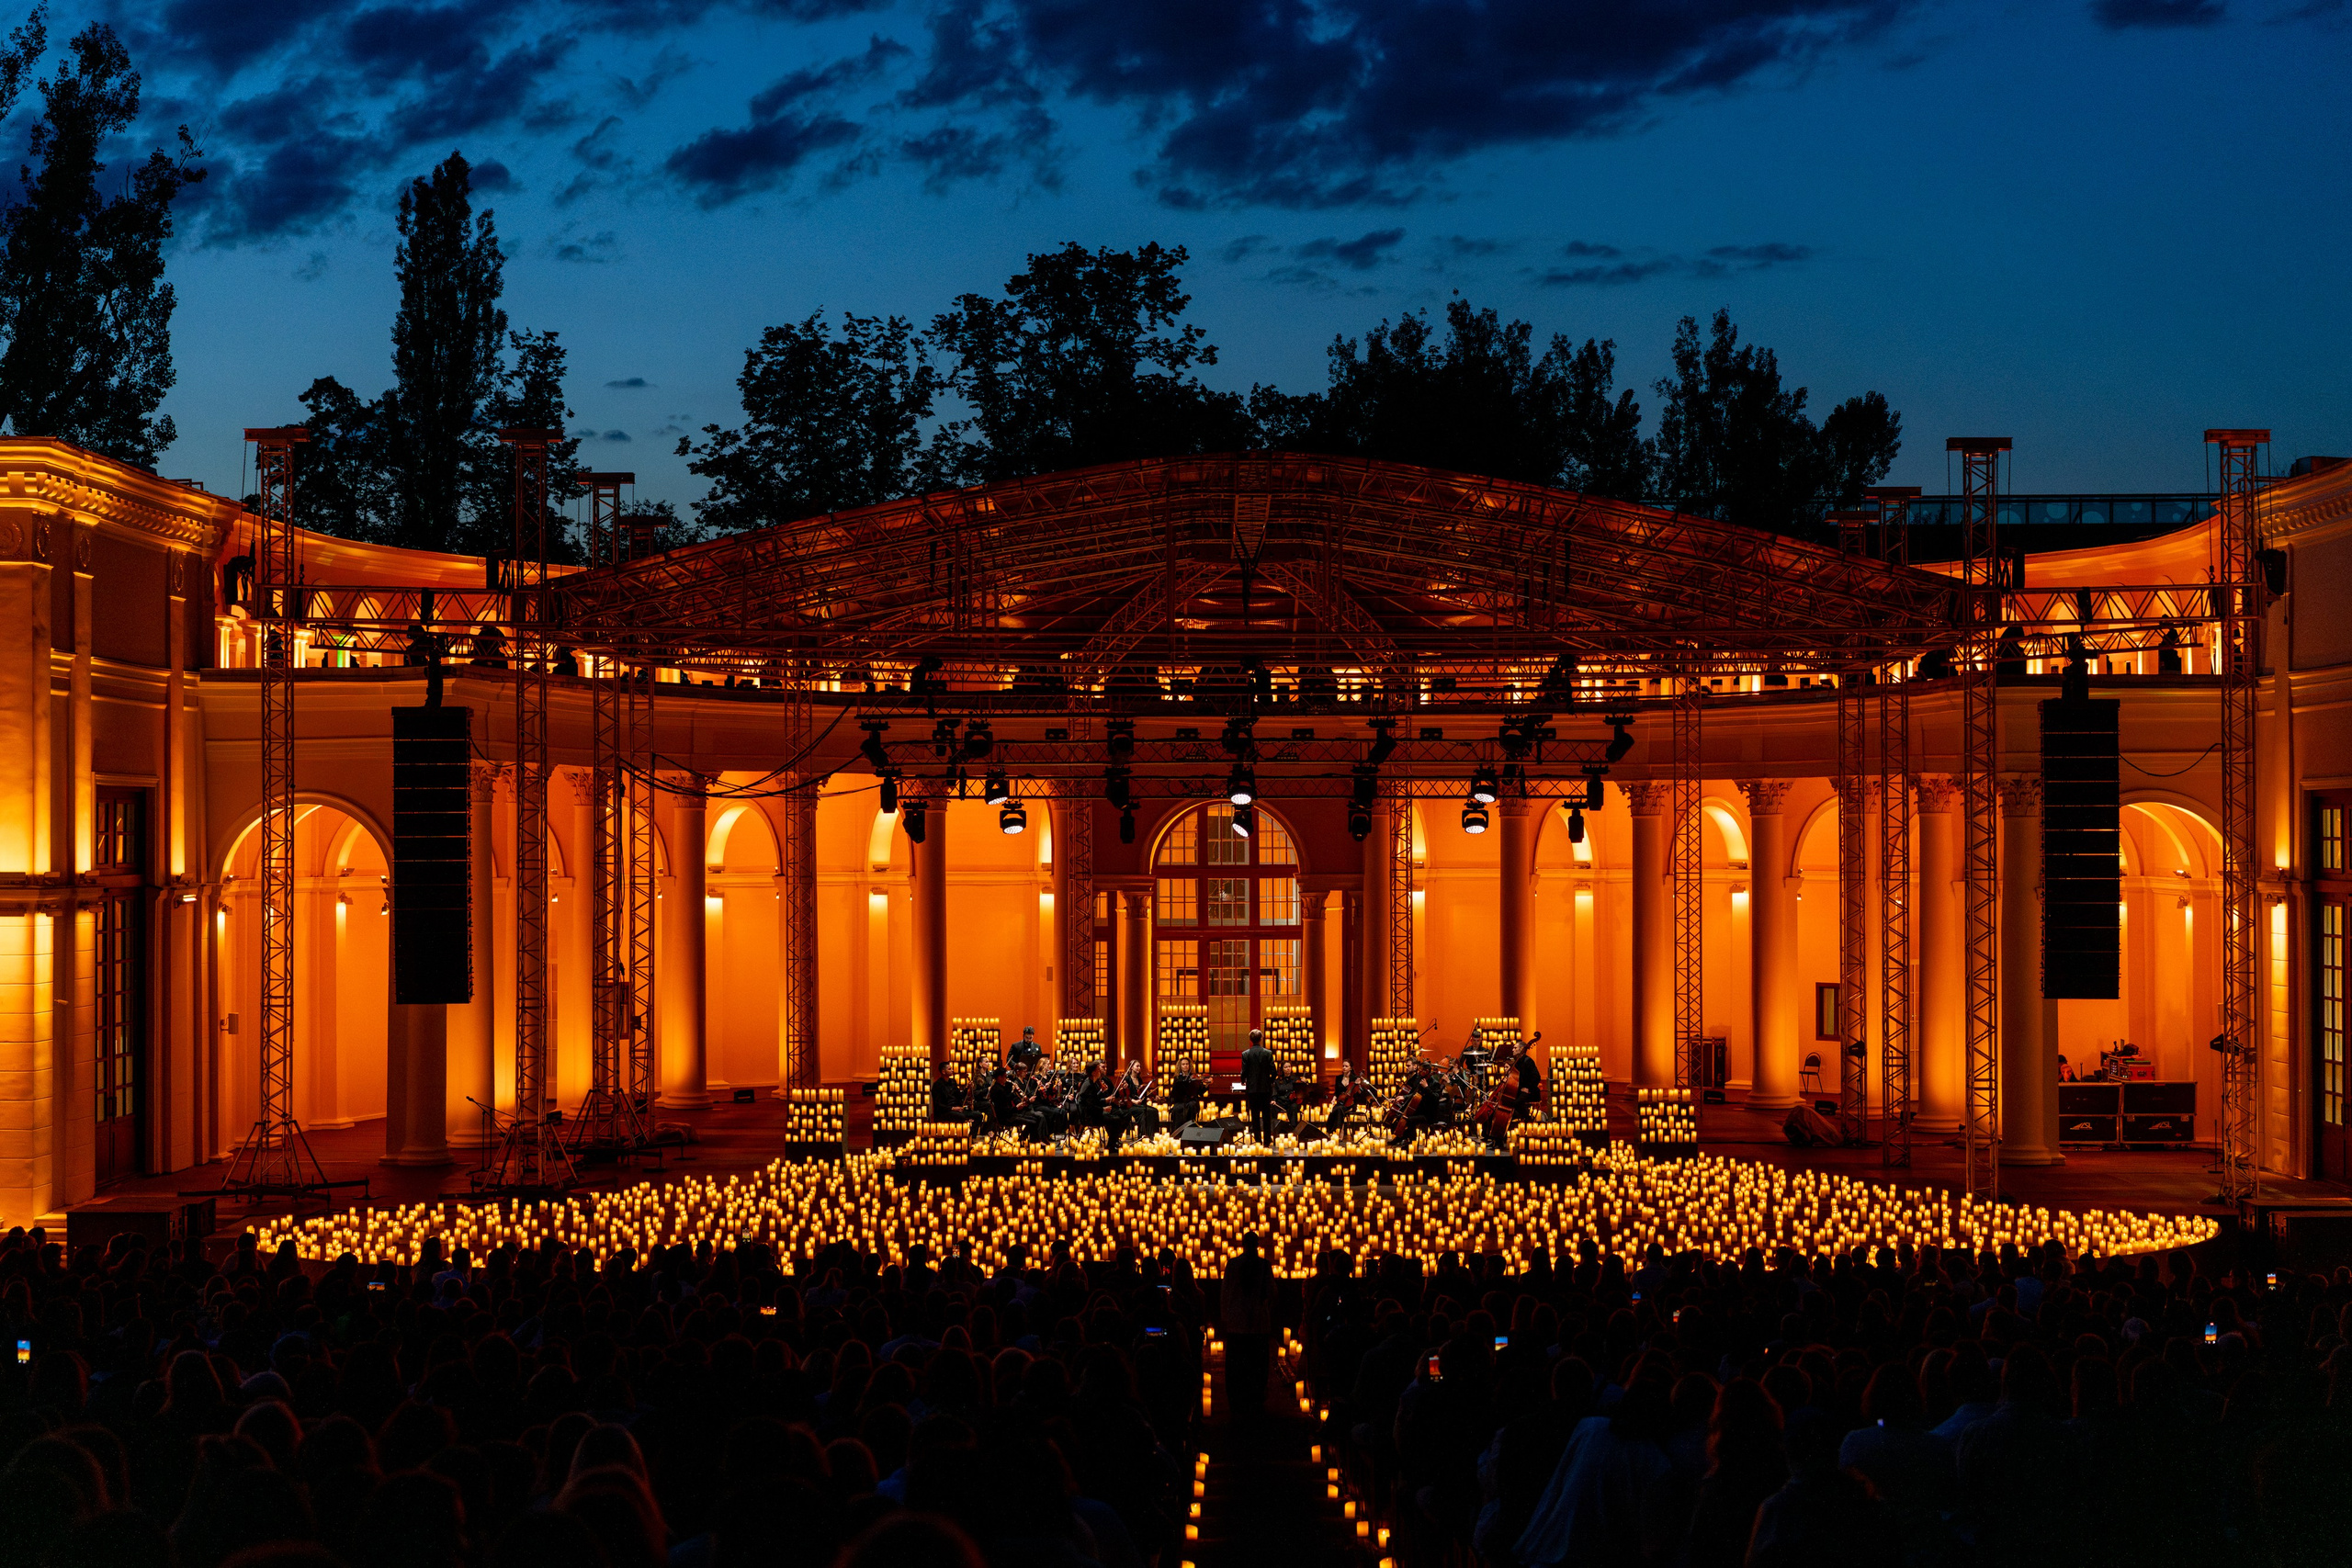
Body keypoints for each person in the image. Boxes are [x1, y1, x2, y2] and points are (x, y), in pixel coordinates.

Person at [1241, 1029, 1276, 1145]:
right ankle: (1267, 1140)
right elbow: (1274, 1071)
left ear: (1250, 1040)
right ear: (1261, 1039)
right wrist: (1270, 1081)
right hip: (1265, 1088)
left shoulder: (1245, 1054)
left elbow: (1244, 1071)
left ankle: (1257, 1140)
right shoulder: (1268, 1053)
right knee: (1267, 1115)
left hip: (1252, 1089)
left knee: (1255, 1115)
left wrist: (1243, 1081)